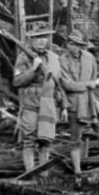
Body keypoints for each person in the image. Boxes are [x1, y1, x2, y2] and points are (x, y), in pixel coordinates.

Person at [58, 31, 99, 182]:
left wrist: (98, 91)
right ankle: (78, 172)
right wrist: (90, 84)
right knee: (75, 139)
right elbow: (67, 85)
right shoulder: (62, 61)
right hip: (75, 102)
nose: (74, 47)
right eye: (71, 44)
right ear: (67, 44)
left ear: (82, 46)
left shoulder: (89, 58)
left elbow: (94, 80)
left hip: (91, 101)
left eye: (78, 44)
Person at [13, 24, 62, 173]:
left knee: (45, 141)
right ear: (32, 39)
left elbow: (58, 82)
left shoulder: (52, 57)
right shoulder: (23, 57)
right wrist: (33, 69)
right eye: (38, 37)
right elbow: (17, 81)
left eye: (45, 37)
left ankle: (43, 175)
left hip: (48, 105)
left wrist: (63, 104)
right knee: (29, 141)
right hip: (31, 105)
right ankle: (30, 175)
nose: (42, 41)